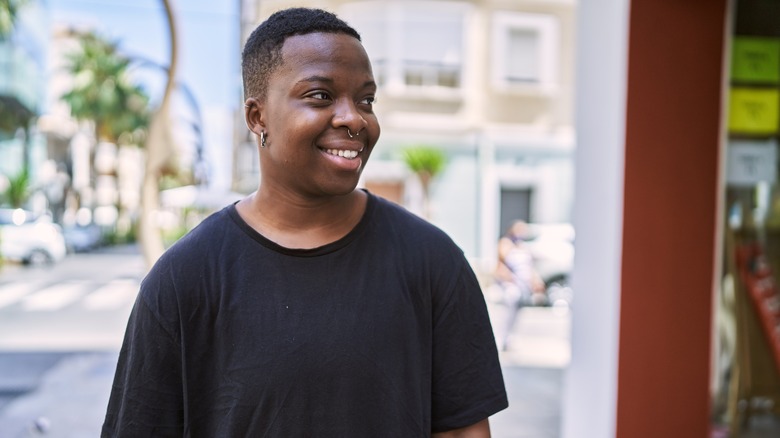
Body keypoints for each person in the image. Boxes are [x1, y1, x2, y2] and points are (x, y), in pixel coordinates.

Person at [102, 7, 507, 437]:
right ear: (257, 118)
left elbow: (464, 431)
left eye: (366, 99)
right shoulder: (184, 279)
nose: (354, 118)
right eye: (320, 96)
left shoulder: (432, 262)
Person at [494, 220, 546, 350]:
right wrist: (509, 278)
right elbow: (499, 265)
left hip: (523, 285)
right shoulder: (505, 244)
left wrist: (536, 281)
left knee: (517, 314)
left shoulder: (523, 247)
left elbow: (530, 268)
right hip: (511, 285)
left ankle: (509, 338)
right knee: (508, 310)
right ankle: (500, 338)